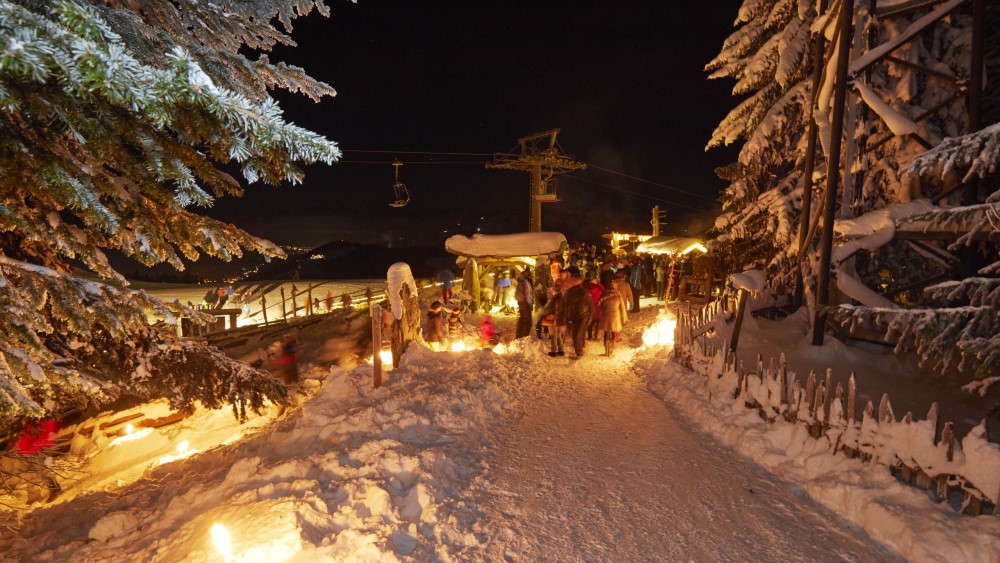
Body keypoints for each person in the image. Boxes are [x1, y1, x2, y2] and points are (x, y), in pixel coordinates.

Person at [562, 266, 595, 358]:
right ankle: (579, 347)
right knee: (576, 333)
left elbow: (590, 304)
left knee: (577, 333)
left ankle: (579, 351)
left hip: (582, 316)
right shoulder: (570, 294)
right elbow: (567, 306)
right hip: (574, 317)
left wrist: (591, 314)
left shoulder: (584, 292)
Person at [597, 270, 628, 356]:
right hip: (616, 317)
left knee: (606, 333)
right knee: (614, 334)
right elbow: (622, 307)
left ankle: (606, 352)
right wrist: (624, 318)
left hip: (606, 316)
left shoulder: (604, 294)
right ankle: (611, 351)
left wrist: (597, 315)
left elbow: (599, 304)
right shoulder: (618, 294)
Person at [539, 278, 565, 356]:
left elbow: (548, 309)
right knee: (559, 335)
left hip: (553, 317)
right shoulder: (564, 296)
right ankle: (561, 350)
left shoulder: (555, 298)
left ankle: (554, 351)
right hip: (562, 318)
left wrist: (543, 313)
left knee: (553, 335)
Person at [514, 268, 534, 339]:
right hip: (525, 303)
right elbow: (529, 294)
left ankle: (520, 336)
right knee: (527, 321)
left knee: (522, 319)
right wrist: (529, 303)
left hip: (522, 302)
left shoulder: (522, 282)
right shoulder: (525, 282)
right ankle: (524, 336)